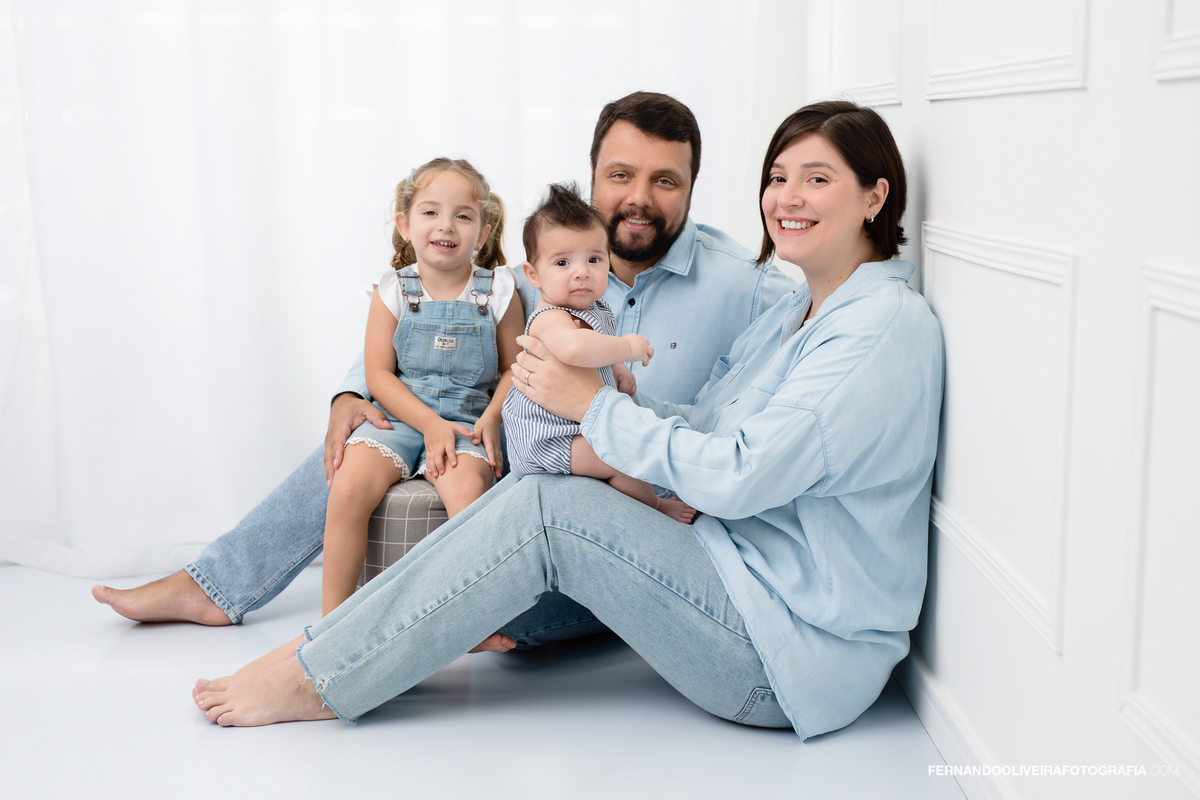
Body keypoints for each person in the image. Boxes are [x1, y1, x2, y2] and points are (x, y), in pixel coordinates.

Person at [191, 100, 945, 740]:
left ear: (875, 197)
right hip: (712, 556)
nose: (787, 198)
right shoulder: (798, 310)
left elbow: (741, 471)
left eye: (818, 180)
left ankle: (320, 673)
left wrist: (595, 408)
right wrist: (362, 392)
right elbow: (704, 417)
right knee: (510, 482)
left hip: (787, 654)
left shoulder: (871, 325)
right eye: (778, 178)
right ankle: (301, 629)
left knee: (548, 508)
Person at [91, 91, 792, 627]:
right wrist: (348, 396)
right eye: (619, 175)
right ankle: (218, 584)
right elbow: (434, 333)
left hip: (624, 484)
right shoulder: (548, 265)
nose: (638, 198)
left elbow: (760, 417)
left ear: (695, 184)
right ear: (591, 178)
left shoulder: (750, 288)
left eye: (665, 180)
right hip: (531, 448)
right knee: (369, 436)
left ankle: (501, 622)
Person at [319, 158, 522, 615]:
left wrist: (491, 417)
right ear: (404, 225)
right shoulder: (392, 290)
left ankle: (469, 617)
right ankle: (335, 620)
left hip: (469, 418)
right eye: (430, 212)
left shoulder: (499, 290)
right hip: (401, 416)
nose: (445, 225)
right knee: (349, 485)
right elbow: (379, 376)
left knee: (468, 493)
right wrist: (429, 424)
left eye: (463, 215)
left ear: (483, 233)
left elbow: (514, 368)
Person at [503, 183, 695, 523]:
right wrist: (627, 347)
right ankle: (656, 507)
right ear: (533, 274)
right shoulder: (550, 319)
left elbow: (597, 342)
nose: (581, 272)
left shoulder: (597, 308)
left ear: (608, 262)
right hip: (548, 437)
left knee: (622, 445)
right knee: (619, 457)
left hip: (576, 426)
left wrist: (618, 368)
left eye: (593, 259)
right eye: (562, 262)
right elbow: (576, 348)